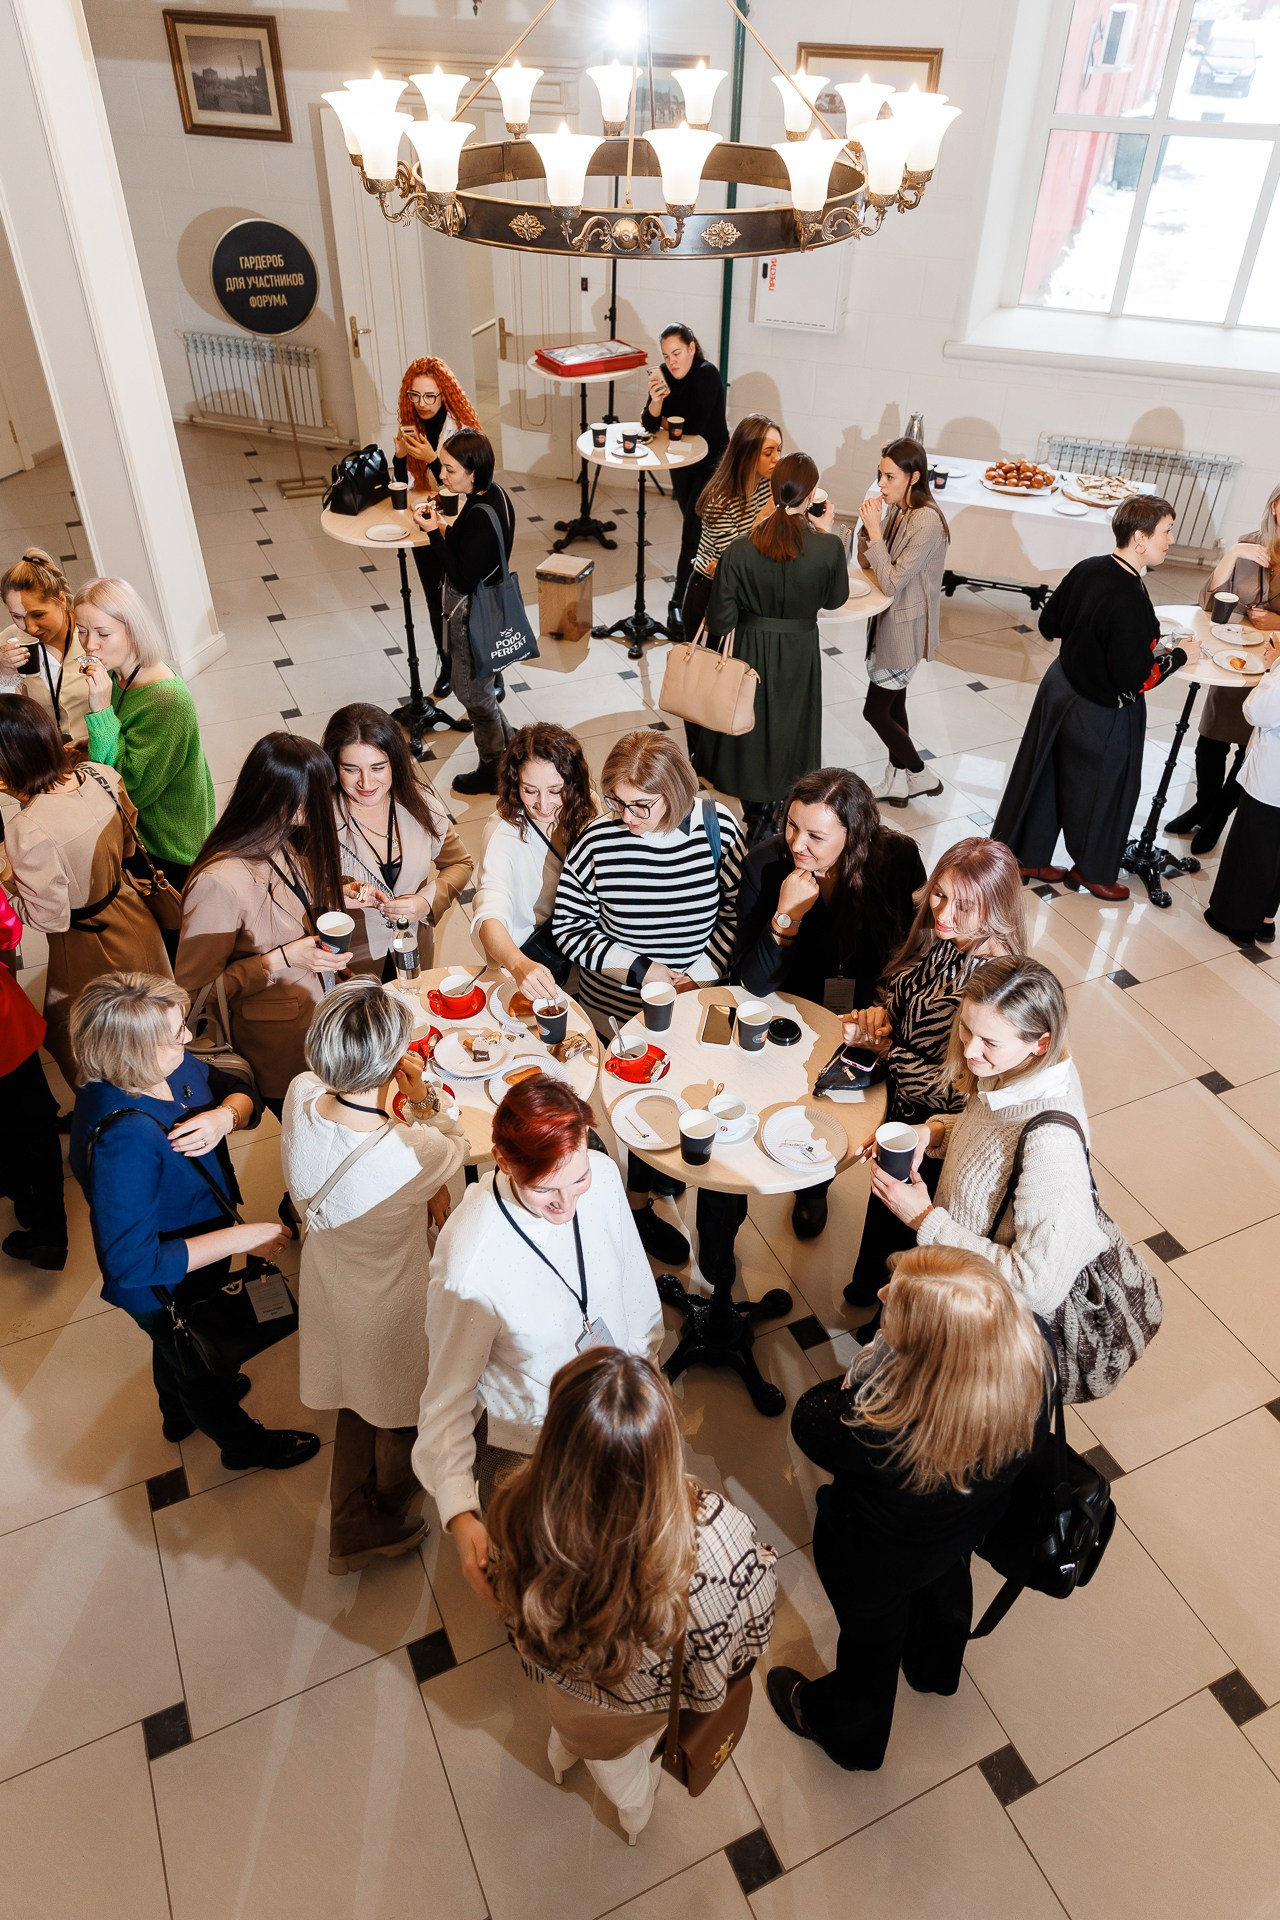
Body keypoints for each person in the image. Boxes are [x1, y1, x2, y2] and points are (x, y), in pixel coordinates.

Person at [767, 1245, 1051, 1773]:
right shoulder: (1034, 1356)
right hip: (965, 1526)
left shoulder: (882, 1428)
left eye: (896, 1305)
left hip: (877, 1556)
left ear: (928, 1360)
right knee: (943, 1583)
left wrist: (880, 1359)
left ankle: (852, 1737)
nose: (880, 1295)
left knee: (871, 1642)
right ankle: (934, 1668)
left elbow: (811, 1418)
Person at [488, 1349, 777, 1843]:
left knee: (591, 1750)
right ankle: (634, 1820)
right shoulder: (719, 1535)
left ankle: (567, 1759)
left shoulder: (518, 1518)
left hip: (578, 1701)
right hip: (659, 1700)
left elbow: (517, 1622)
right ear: (664, 1447)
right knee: (632, 1774)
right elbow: (751, 1630)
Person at [413, 1077, 663, 1615]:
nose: (567, 1204)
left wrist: (647, 1385)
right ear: (503, 1161)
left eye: (577, 1179)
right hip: (531, 1445)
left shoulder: (602, 1181)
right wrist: (460, 1514)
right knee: (551, 1592)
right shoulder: (470, 1261)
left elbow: (636, 1293)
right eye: (547, 1189)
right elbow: (446, 1398)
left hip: (614, 1415)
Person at [68, 971, 319, 1470]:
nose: (188, 1036)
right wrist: (240, 1238)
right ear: (132, 1053)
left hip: (200, 1236)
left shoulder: (163, 1065)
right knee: (195, 1361)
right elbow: (133, 1265)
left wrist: (225, 1116)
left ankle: (177, 1413)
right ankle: (241, 1445)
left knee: (180, 1344)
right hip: (163, 1279)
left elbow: (236, 1085)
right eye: (174, 1033)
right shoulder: (126, 1141)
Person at [281, 979, 467, 1575]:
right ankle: (382, 1514)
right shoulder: (410, 1153)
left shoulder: (300, 1093)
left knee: (355, 1390)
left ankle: (350, 1518)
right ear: (389, 1063)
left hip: (326, 1275)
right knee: (400, 1404)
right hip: (390, 1299)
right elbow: (455, 1146)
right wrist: (423, 1096)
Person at [552, 730, 743, 1265]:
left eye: (642, 805)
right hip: (618, 1009)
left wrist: (699, 974)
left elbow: (733, 913)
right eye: (617, 801)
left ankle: (660, 1173)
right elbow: (569, 927)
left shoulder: (718, 828)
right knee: (640, 1109)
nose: (627, 817)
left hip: (696, 1002)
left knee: (686, 1095)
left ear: (676, 792)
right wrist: (643, 970)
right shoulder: (598, 839)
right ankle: (636, 1208)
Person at [732, 767, 925, 1246]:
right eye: (791, 825)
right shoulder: (765, 865)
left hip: (870, 1009)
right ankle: (808, 1179)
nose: (797, 844)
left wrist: (885, 1005)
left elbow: (913, 950)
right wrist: (786, 916)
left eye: (816, 836)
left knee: (853, 1107)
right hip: (794, 1009)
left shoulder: (897, 859)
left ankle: (818, 1180)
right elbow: (753, 981)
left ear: (853, 834)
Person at [864, 956, 1106, 1330]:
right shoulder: (1013, 1068)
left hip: (975, 1317)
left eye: (990, 1042)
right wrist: (933, 1131)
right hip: (952, 1276)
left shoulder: (1052, 1147)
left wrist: (925, 1220)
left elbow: (1037, 1288)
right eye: (966, 1029)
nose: (969, 1051)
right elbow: (994, 1140)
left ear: (1041, 1043)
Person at [843, 837, 1028, 1315]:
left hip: (939, 1136)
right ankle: (869, 1289)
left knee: (915, 1244)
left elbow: (957, 1089)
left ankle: (892, 1322)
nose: (942, 912)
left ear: (996, 908)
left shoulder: (996, 989)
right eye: (939, 894)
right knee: (884, 1211)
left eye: (963, 905)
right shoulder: (949, 941)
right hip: (903, 1115)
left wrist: (887, 1052)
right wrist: (882, 1017)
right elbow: (901, 995)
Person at [991, 496, 1197, 900]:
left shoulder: (1089, 567)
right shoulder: (1130, 597)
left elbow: (1049, 623)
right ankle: (1093, 872)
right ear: (1140, 538)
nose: (1171, 540)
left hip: (1059, 689)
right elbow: (1136, 679)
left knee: (1045, 774)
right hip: (1101, 711)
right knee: (1109, 790)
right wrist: (1179, 656)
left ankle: (1028, 857)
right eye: (1167, 531)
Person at [0, 695, 169, 1089]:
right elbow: (128, 847)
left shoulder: (27, 829)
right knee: (150, 1018)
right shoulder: (100, 774)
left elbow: (50, 917)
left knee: (74, 1035)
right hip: (132, 909)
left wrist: (9, 879)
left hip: (88, 942)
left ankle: (107, 1102)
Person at [176, 733, 346, 1114]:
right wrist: (283, 959)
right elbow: (195, 993)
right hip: (279, 1052)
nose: (329, 804)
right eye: (320, 794)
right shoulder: (218, 882)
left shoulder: (277, 838)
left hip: (317, 1026)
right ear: (286, 801)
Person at [697, 453, 850, 835]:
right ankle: (784, 806)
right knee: (793, 725)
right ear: (811, 496)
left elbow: (720, 621)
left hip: (750, 650)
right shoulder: (828, 548)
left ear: (771, 490)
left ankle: (757, 812)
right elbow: (835, 599)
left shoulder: (739, 550)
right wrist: (824, 531)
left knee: (752, 723)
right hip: (800, 652)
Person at [75, 577, 215, 951]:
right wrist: (89, 743)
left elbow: (126, 788)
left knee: (172, 942)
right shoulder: (118, 676)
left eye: (103, 633)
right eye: (82, 631)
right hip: (144, 833)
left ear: (133, 631)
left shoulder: (167, 700)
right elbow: (127, 740)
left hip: (168, 844)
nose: (90, 645)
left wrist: (99, 711)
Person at [1167, 484, 1280, 853]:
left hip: (1274, 672)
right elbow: (1208, 605)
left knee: (1248, 748)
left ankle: (1217, 816)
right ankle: (1204, 804)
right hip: (1234, 659)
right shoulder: (1249, 544)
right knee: (1211, 739)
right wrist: (1231, 555)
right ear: (1275, 506)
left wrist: (1276, 624)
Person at [323, 702, 471, 979]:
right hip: (350, 963)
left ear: (395, 762)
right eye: (351, 769)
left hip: (414, 951)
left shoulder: (421, 803)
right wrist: (336, 893)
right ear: (333, 766)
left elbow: (459, 863)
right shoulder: (317, 820)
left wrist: (425, 901)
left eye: (378, 767)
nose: (366, 783)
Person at [411, 429, 515, 796]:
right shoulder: (493, 495)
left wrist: (432, 535)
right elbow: (472, 549)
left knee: (473, 695)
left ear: (473, 472)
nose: (441, 475)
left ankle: (492, 769)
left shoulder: (480, 516)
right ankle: (510, 745)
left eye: (450, 470)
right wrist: (441, 526)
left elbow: (462, 577)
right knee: (479, 688)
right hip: (488, 609)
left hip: (471, 614)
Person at [472, 722, 597, 999]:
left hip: (591, 948)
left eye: (555, 790)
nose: (543, 804)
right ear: (514, 783)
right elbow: (490, 910)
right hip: (541, 961)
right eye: (530, 790)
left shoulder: (587, 805)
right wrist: (518, 964)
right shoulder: (504, 833)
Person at [858, 438, 950, 806]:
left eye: (889, 477)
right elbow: (869, 562)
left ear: (914, 477)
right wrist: (870, 528)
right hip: (889, 623)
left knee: (875, 711)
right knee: (895, 707)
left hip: (904, 631)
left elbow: (892, 582)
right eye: (880, 475)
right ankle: (897, 784)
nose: (881, 484)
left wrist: (875, 533)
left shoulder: (926, 521)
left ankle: (920, 773)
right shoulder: (900, 509)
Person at [393, 355, 482, 697]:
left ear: (445, 394)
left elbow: (458, 487)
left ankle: (485, 668)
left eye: (430, 396)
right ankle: (447, 665)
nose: (422, 403)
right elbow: (402, 484)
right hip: (428, 522)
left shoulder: (461, 430)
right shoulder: (411, 425)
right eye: (415, 395)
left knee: (467, 598)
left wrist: (432, 458)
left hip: (460, 523)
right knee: (436, 599)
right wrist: (401, 456)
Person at [639, 322, 729, 632]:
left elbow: (695, 425)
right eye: (666, 355)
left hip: (712, 463)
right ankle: (700, 595)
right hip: (681, 462)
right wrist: (656, 402)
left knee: (693, 531)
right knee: (697, 532)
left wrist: (665, 421)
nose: (672, 361)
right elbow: (648, 424)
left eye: (677, 353)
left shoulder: (706, 373)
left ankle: (678, 603)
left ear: (691, 348)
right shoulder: (664, 375)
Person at [0, 898, 67, 1270]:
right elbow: (6, 934)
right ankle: (50, 1229)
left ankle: (19, 1192)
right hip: (3, 1026)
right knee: (34, 1122)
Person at [680, 412, 782, 643]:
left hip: (743, 590)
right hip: (710, 592)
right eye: (768, 453)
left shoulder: (767, 485)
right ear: (747, 454)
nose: (777, 458)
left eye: (779, 450)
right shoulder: (719, 500)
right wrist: (765, 514)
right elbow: (737, 558)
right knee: (705, 664)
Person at [1205, 632, 1280, 946]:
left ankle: (1237, 922)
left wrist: (1272, 666)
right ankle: (1265, 919)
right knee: (1276, 852)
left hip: (1272, 778)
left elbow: (1258, 711)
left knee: (1253, 847)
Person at [0, 548, 91, 746]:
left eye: (38, 615)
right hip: (45, 756)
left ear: (61, 600)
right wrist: (4, 673)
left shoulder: (92, 633)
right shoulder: (9, 640)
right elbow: (8, 716)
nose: (30, 628)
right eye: (17, 616)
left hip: (98, 753)